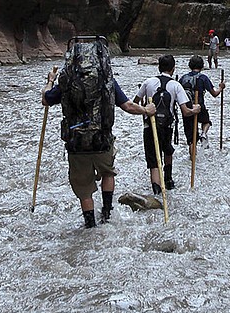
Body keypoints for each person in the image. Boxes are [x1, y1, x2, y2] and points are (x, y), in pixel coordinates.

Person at [42, 36, 155, 227]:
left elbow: (46, 99)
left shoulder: (66, 80)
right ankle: (107, 213)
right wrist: (146, 110)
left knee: (84, 188)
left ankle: (90, 225)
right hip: (101, 139)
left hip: (76, 143)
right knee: (108, 173)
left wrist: (50, 81)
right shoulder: (106, 80)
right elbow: (127, 106)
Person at [136, 54, 200, 195]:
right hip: (167, 126)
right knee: (167, 150)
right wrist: (195, 109)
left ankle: (157, 191)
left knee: (153, 159)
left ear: (159, 67)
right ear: (173, 68)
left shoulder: (148, 82)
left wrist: (144, 107)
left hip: (150, 126)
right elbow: (185, 111)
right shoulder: (176, 85)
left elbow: (134, 103)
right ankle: (168, 180)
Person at [179, 55, 223, 148]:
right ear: (202, 66)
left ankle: (192, 157)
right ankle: (203, 133)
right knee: (206, 122)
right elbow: (214, 93)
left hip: (187, 109)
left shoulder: (183, 78)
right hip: (199, 107)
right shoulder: (203, 78)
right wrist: (221, 88)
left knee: (191, 140)